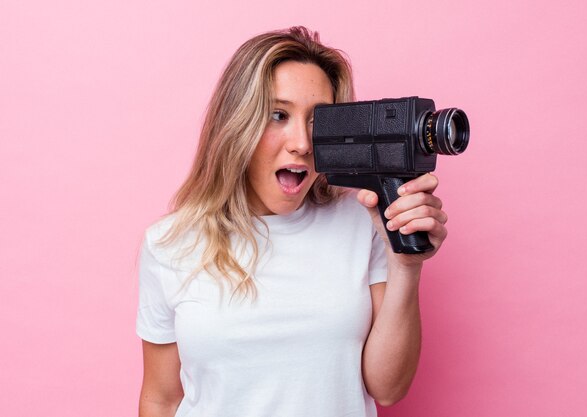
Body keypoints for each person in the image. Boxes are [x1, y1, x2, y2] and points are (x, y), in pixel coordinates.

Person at [136, 26, 448, 417]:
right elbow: (161, 399)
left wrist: (406, 265)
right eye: (277, 115)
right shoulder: (169, 243)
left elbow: (388, 388)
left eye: (318, 121)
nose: (301, 142)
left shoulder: (362, 221)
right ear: (237, 124)